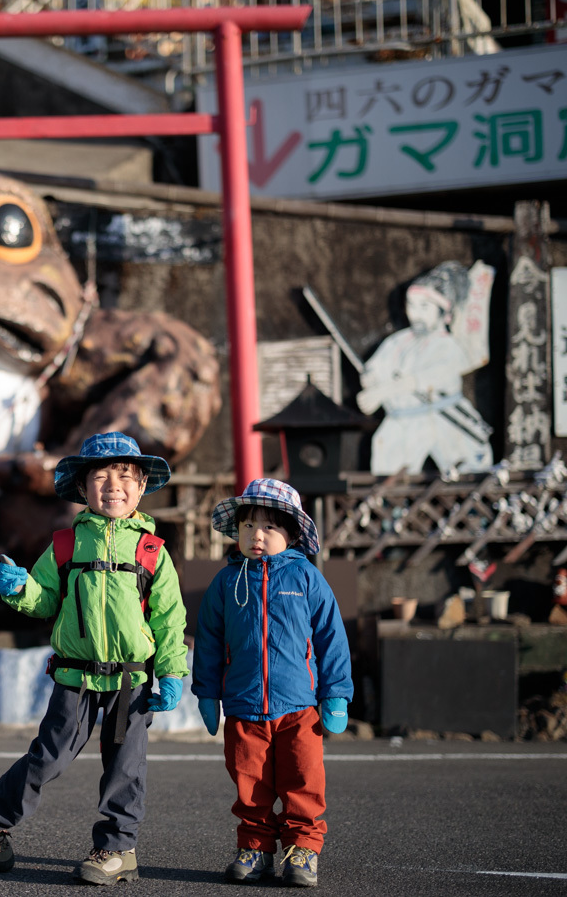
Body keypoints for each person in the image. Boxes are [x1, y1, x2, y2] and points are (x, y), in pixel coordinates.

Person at [0, 431, 189, 885]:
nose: (113, 486)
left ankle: (117, 849)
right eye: (100, 476)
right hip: (75, 677)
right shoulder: (64, 545)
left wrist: (173, 672)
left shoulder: (153, 552)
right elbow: (45, 601)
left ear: (141, 487)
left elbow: (169, 620)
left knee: (126, 767)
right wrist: (21, 589)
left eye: (125, 476)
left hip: (131, 681)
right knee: (49, 758)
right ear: (82, 488)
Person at [191, 478, 352, 888]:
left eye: (268, 527)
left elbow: (331, 637)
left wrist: (335, 695)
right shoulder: (226, 583)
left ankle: (303, 850)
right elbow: (208, 640)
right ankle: (256, 848)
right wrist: (207, 694)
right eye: (247, 526)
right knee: (250, 785)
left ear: (292, 533)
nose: (256, 535)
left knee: (304, 781)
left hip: (299, 707)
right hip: (243, 707)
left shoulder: (307, 578)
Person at [356, 261, 493, 476]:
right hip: (401, 421)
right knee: (389, 476)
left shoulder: (448, 346)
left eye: (424, 307)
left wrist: (382, 392)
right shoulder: (398, 341)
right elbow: (376, 367)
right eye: (411, 305)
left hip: (446, 418)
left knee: (468, 474)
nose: (415, 314)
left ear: (444, 313)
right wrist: (371, 379)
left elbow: (423, 379)